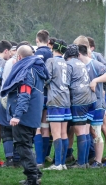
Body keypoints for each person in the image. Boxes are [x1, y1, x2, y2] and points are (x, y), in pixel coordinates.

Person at [1, 45, 49, 185]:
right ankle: (36, 175)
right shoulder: (37, 69)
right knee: (27, 146)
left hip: (24, 116)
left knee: (23, 146)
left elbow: (24, 95)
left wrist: (17, 115)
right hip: (33, 115)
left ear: (20, 57)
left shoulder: (26, 72)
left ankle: (32, 178)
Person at [75, 35, 106, 168]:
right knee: (87, 131)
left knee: (96, 130)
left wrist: (96, 80)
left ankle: (98, 161)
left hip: (97, 103)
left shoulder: (94, 63)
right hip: (84, 104)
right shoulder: (78, 65)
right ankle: (85, 160)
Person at [64, 44, 97, 169]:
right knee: (85, 131)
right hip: (91, 99)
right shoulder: (81, 63)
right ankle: (85, 161)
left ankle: (81, 163)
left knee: (80, 132)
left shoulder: (69, 64)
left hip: (80, 100)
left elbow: (66, 83)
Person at [42, 39, 70, 170]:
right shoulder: (66, 63)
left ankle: (57, 163)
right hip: (66, 99)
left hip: (55, 99)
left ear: (53, 48)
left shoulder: (51, 61)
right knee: (64, 132)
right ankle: (63, 163)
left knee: (56, 133)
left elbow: (46, 78)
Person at [87, 37, 106, 166]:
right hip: (90, 97)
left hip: (103, 97)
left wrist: (104, 88)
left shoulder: (97, 57)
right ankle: (93, 155)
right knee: (91, 128)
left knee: (104, 127)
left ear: (91, 47)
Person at [34, 29, 53, 167]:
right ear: (48, 41)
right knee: (46, 127)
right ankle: (45, 156)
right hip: (50, 94)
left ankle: (39, 160)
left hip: (39, 94)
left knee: (37, 127)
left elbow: (38, 72)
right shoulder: (51, 53)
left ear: (37, 40)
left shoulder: (39, 53)